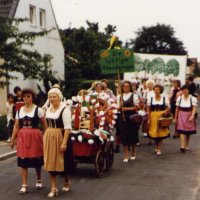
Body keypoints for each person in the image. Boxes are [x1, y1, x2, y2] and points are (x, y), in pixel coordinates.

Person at [10, 89, 47, 194]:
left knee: (36, 159)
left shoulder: (38, 110)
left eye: (28, 96)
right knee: (23, 162)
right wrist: (12, 139)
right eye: (24, 96)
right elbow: (16, 126)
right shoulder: (19, 110)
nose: (26, 98)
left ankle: (39, 178)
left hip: (35, 135)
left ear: (32, 97)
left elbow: (44, 125)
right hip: (23, 136)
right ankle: (24, 185)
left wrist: (46, 136)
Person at [43, 88, 73, 198]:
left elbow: (67, 128)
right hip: (50, 136)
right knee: (50, 161)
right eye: (50, 97)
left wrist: (64, 143)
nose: (52, 99)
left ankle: (66, 179)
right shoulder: (48, 109)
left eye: (54, 96)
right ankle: (53, 188)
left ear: (59, 97)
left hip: (60, 136)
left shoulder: (65, 109)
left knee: (62, 161)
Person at [117, 81, 139, 162]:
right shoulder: (119, 96)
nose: (126, 88)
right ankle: (126, 155)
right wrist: (120, 106)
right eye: (124, 86)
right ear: (122, 87)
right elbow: (117, 108)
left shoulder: (134, 96)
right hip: (123, 118)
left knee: (132, 135)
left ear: (130, 87)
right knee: (124, 135)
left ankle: (133, 152)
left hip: (132, 117)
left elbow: (137, 107)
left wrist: (127, 108)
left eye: (127, 86)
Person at [147, 84, 170, 156]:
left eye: (158, 90)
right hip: (153, 116)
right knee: (154, 132)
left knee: (161, 132)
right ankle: (156, 146)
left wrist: (166, 111)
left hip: (161, 116)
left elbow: (168, 107)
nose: (156, 91)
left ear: (161, 91)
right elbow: (148, 109)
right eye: (155, 90)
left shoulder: (164, 98)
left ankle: (159, 148)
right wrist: (148, 118)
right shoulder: (151, 98)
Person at [174, 85, 197, 153]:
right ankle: (182, 146)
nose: (185, 91)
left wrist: (192, 115)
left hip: (189, 114)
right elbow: (177, 108)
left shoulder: (192, 98)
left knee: (188, 131)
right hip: (181, 114)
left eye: (186, 89)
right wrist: (175, 117)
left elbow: (194, 108)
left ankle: (186, 144)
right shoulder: (180, 98)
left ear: (189, 90)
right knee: (181, 130)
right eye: (183, 89)